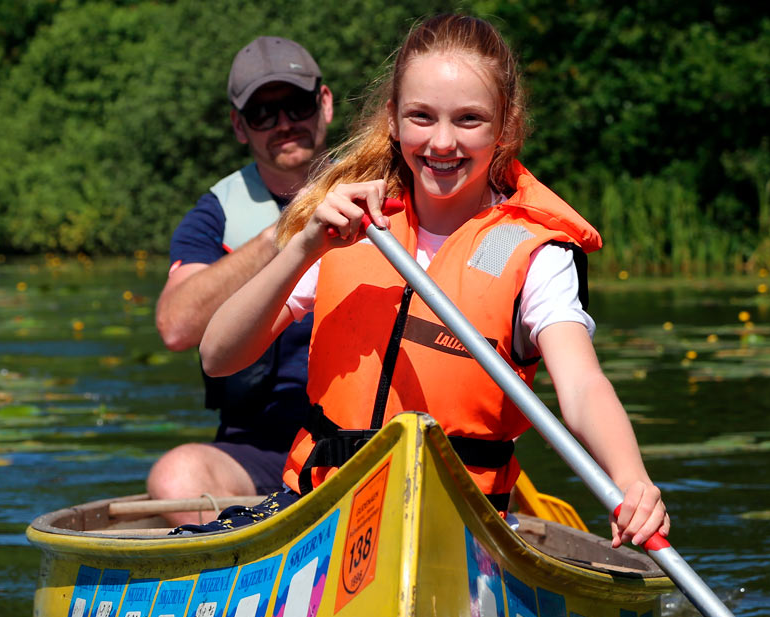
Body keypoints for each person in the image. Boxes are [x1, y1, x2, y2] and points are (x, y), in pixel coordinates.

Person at [200, 14, 669, 548]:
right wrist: (304, 246)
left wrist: (632, 479)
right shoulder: (351, 226)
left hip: (459, 526)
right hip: (322, 512)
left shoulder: (535, 255)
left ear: (506, 126)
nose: (442, 142)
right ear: (393, 120)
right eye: (421, 117)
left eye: (469, 119)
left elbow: (582, 386)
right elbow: (218, 356)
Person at [147, 36, 335, 526]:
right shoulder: (215, 216)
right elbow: (175, 327)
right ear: (239, 126)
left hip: (365, 440)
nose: (283, 123)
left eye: (296, 105)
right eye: (262, 114)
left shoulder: (383, 186)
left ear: (325, 103)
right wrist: (285, 233)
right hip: (259, 452)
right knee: (177, 476)